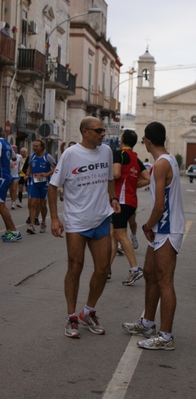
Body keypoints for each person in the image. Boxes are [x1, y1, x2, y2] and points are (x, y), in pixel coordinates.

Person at [48, 116, 120, 339]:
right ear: (85, 132)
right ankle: (71, 316)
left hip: (101, 218)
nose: (102, 134)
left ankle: (88, 311)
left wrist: (114, 197)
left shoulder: (106, 151)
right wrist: (54, 218)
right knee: (75, 267)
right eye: (98, 130)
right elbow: (53, 186)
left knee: (102, 269)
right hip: (77, 221)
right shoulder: (70, 154)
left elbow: (109, 178)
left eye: (103, 131)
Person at [122, 121, 185, 351]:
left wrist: (147, 226)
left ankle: (166, 337)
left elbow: (159, 206)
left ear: (147, 141)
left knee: (164, 281)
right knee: (149, 273)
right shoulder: (167, 160)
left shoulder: (160, 165)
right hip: (161, 228)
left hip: (167, 228)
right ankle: (147, 323)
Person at [110, 129, 150, 285]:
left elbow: (116, 174)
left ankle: (135, 268)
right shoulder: (136, 158)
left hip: (119, 200)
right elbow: (147, 178)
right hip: (131, 201)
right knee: (113, 233)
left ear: (122, 139)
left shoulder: (119, 154)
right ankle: (106, 268)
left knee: (120, 234)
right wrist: (133, 184)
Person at [26, 140, 56, 234]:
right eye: (34, 146)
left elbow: (55, 168)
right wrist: (28, 174)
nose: (34, 148)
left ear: (42, 147)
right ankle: (32, 225)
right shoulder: (32, 156)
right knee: (33, 203)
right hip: (33, 182)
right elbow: (30, 166)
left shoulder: (48, 156)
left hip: (44, 183)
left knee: (43, 204)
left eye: (36, 146)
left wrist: (47, 174)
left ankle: (43, 222)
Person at [0, 131, 22, 242]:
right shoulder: (7, 144)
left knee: (1, 205)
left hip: (1, 176)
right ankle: (9, 231)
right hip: (6, 175)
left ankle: (14, 231)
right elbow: (13, 158)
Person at [9, 145, 23, 209]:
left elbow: (23, 163)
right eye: (13, 149)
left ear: (16, 150)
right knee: (11, 189)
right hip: (9, 174)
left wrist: (20, 169)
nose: (14, 151)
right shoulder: (8, 156)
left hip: (16, 175)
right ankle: (12, 201)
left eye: (15, 149)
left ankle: (13, 203)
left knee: (14, 189)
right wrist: (9, 165)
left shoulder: (19, 156)